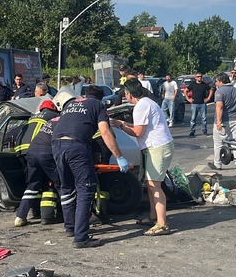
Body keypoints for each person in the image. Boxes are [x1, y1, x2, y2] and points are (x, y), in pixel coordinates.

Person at [52, 86, 130, 248]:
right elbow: (105, 132)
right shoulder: (98, 106)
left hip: (56, 145)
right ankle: (81, 238)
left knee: (67, 188)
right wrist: (119, 157)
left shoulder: (70, 104)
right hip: (76, 145)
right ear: (101, 98)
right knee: (86, 189)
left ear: (85, 95)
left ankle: (71, 227)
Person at [113, 78, 174, 236]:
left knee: (154, 185)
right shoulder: (147, 102)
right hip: (158, 146)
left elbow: (138, 133)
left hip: (157, 147)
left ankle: (162, 223)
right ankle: (154, 216)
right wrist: (123, 123)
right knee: (150, 183)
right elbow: (142, 126)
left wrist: (120, 126)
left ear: (129, 94)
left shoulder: (140, 106)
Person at [15, 100, 61, 227]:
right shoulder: (53, 117)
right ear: (53, 109)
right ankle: (60, 215)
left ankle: (20, 216)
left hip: (23, 152)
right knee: (53, 183)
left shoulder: (32, 116)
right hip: (41, 151)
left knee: (33, 185)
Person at [207, 73, 236, 174]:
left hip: (225, 120)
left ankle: (217, 164)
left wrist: (219, 122)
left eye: (216, 81)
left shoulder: (219, 92)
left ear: (220, 81)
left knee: (218, 143)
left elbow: (219, 106)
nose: (216, 83)